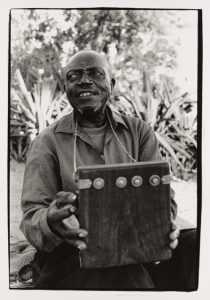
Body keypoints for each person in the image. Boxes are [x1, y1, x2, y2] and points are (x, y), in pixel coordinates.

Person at [20, 50, 197, 289]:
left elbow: (164, 199)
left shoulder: (139, 131)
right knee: (125, 276)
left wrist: (163, 223)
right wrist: (52, 221)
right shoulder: (47, 142)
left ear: (111, 84)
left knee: (198, 244)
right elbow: (33, 215)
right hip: (77, 253)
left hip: (140, 247)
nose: (84, 80)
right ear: (66, 88)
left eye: (95, 73)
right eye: (74, 76)